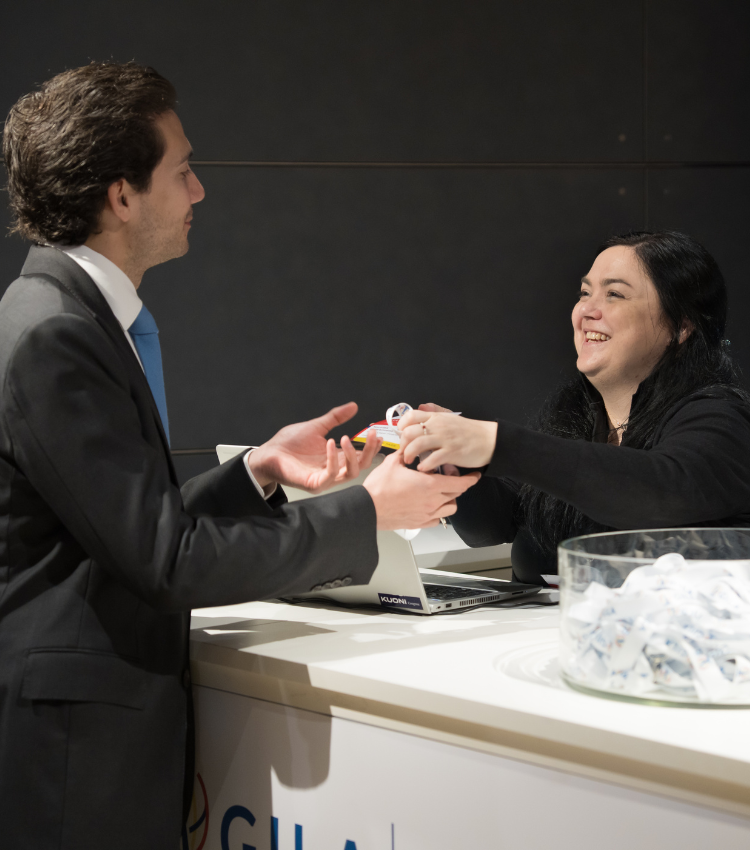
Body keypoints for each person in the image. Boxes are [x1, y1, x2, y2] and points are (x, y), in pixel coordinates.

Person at [0, 62, 479, 849]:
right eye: (182, 171)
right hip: (73, 751)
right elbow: (166, 564)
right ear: (122, 195)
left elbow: (118, 533)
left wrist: (256, 471)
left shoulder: (57, 311)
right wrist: (367, 510)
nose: (198, 193)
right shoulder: (59, 333)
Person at [398, 230, 750, 584]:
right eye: (585, 293)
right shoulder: (572, 417)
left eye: (614, 294)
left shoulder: (721, 416)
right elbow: (491, 530)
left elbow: (662, 490)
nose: (586, 310)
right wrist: (456, 468)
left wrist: (495, 443)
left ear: (681, 326)